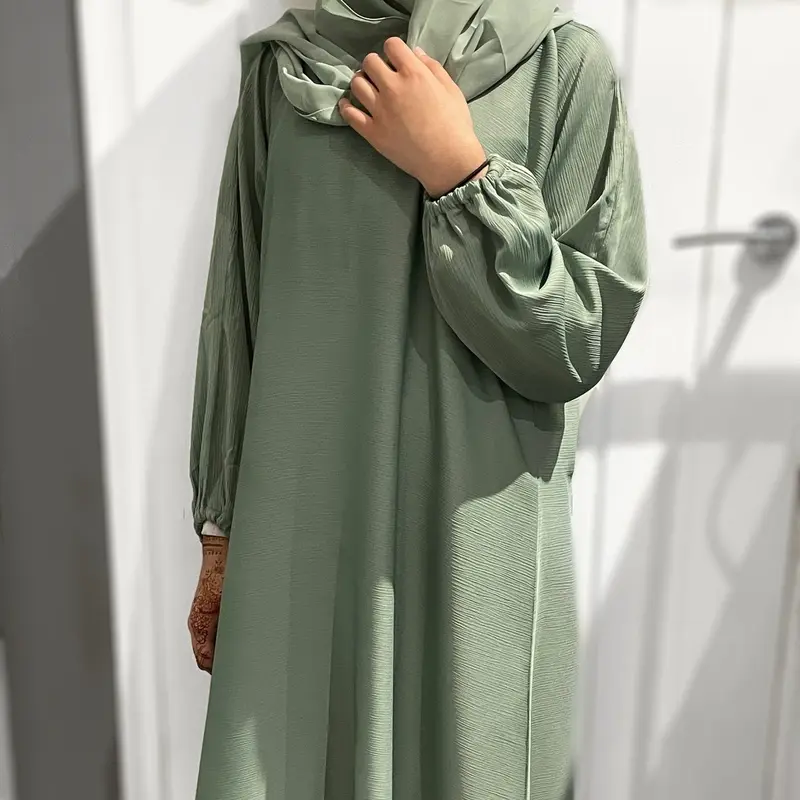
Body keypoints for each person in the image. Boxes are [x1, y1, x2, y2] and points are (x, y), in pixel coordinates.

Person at [187, 2, 647, 799]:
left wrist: (459, 175)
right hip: (303, 536)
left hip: (475, 541)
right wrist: (220, 532)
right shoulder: (286, 70)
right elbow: (239, 304)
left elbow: (578, 337)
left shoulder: (562, 66)